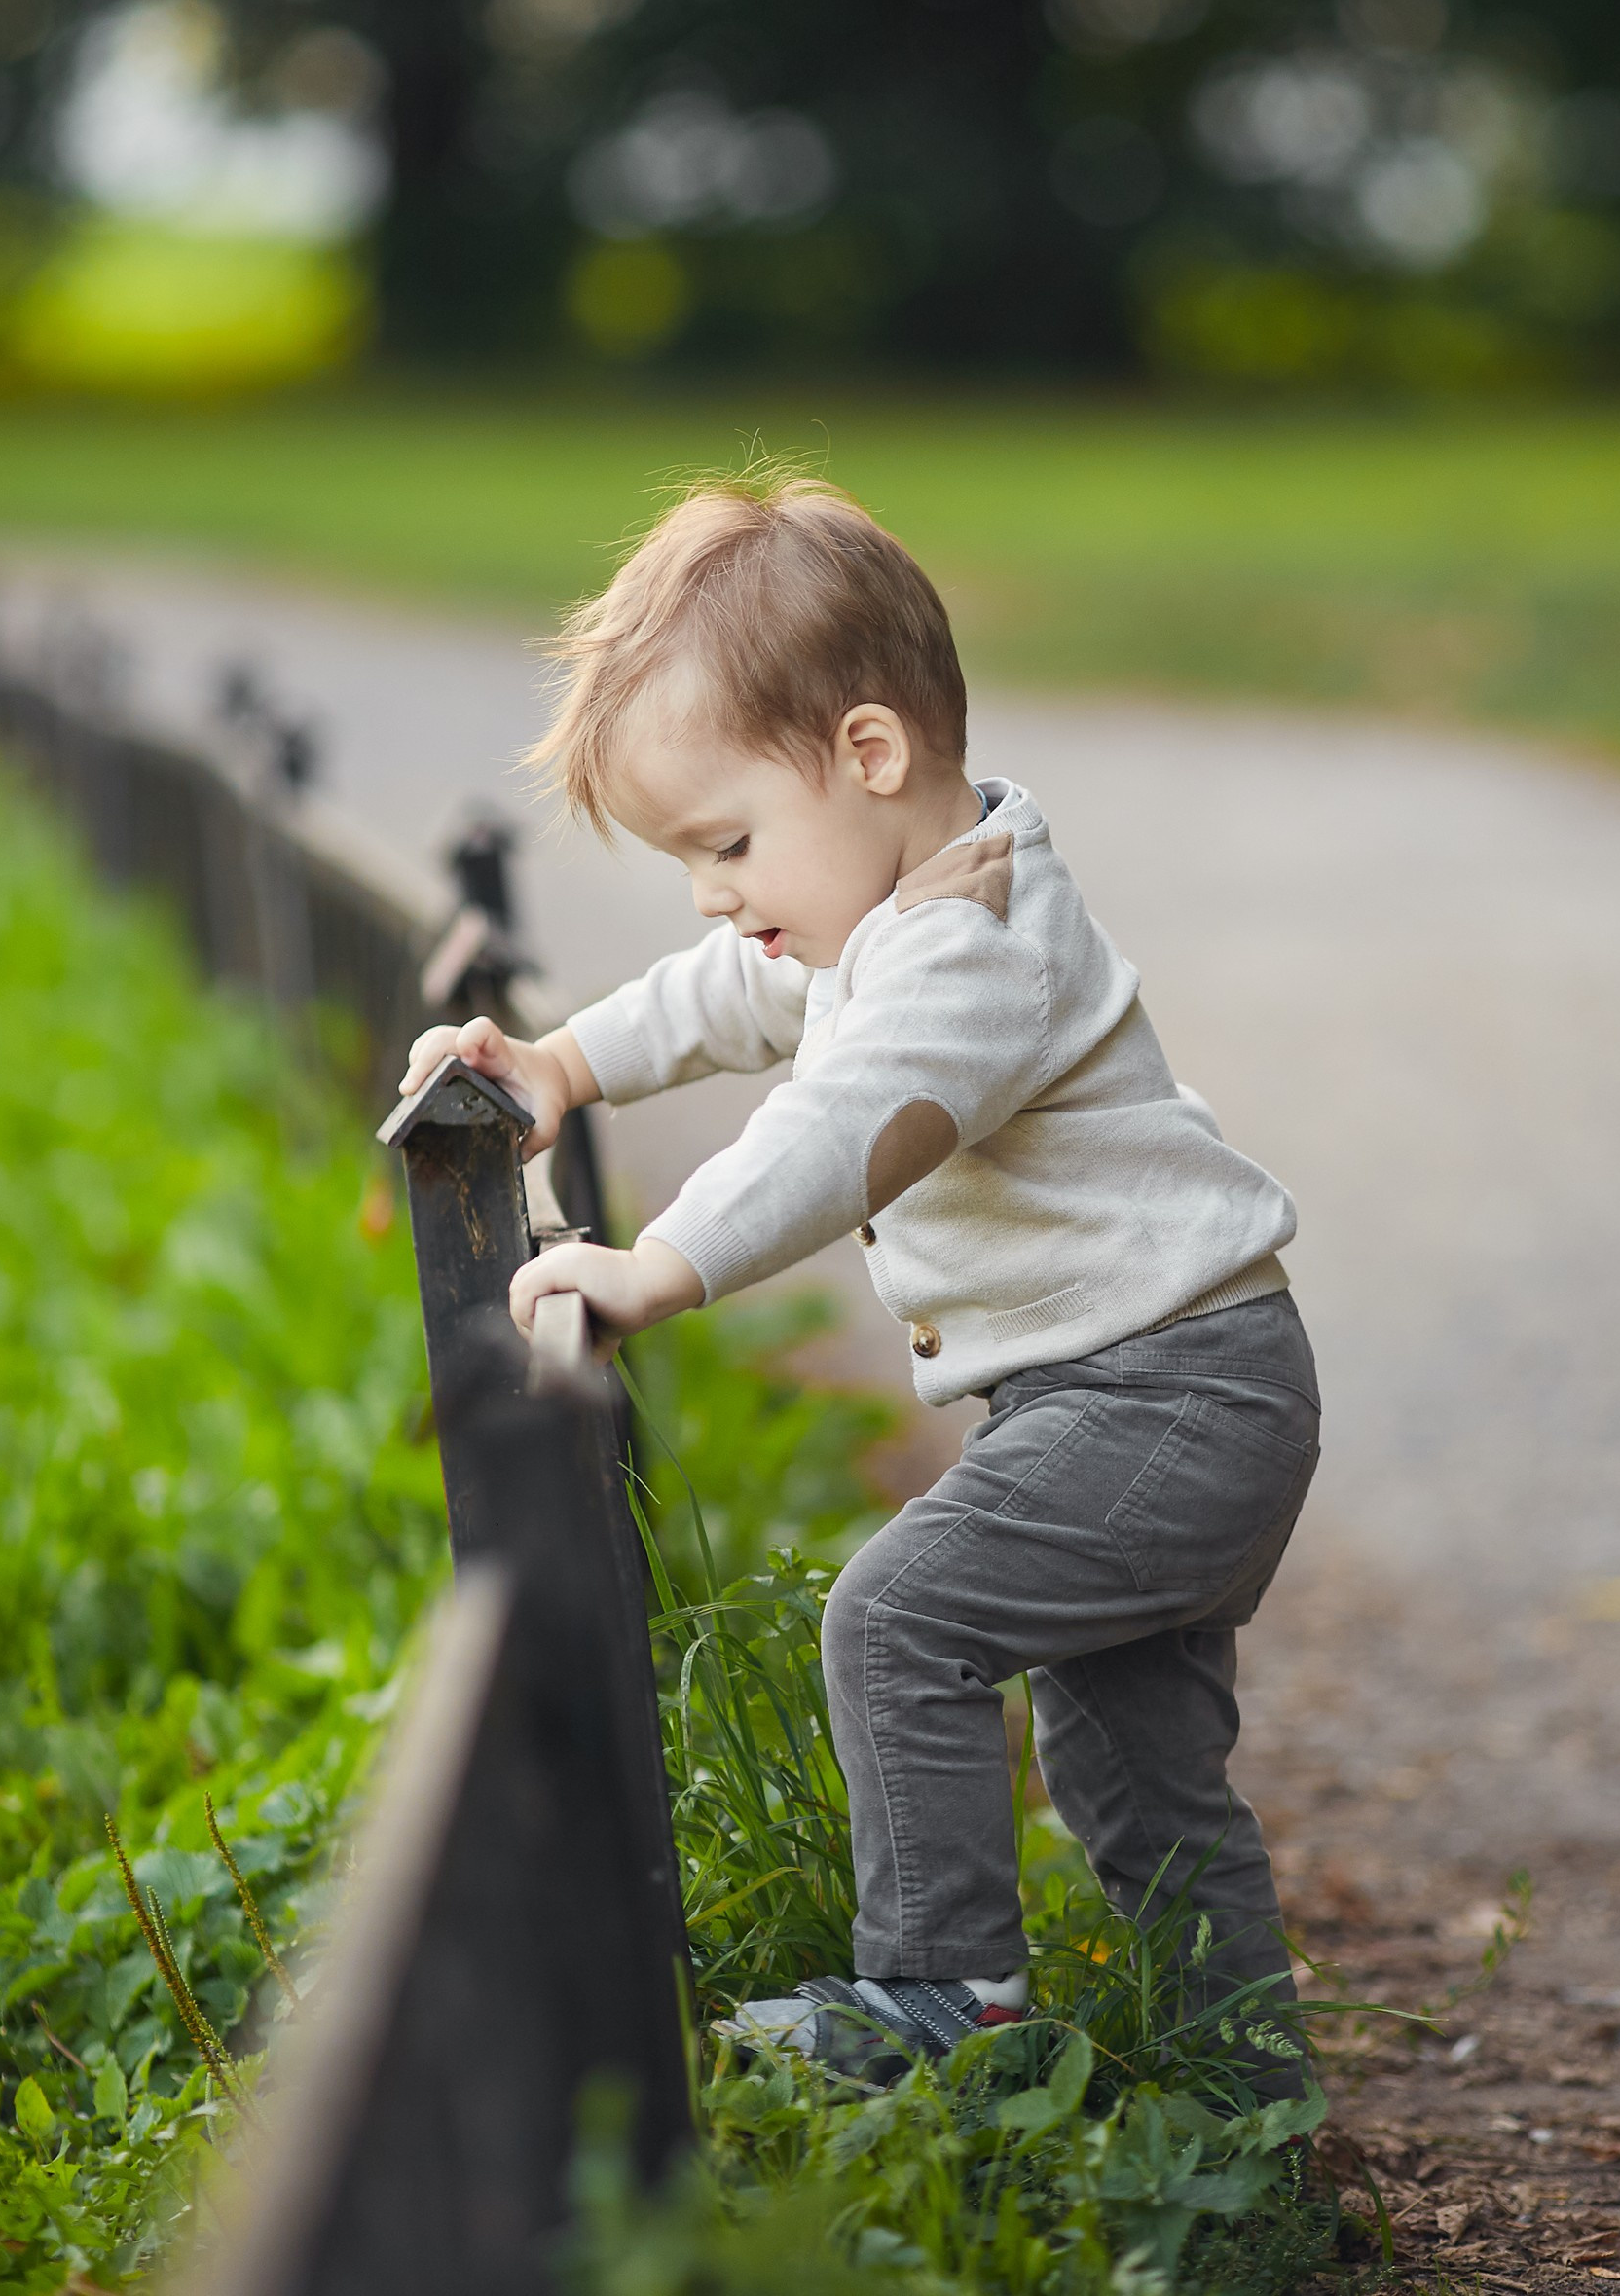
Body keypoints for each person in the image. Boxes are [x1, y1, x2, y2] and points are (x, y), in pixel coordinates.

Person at [398, 471, 1319, 2085]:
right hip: (1157, 1389)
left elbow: (841, 1130)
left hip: (1171, 1394)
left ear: (871, 755)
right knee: (1137, 1775)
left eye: (731, 842)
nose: (715, 892)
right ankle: (1245, 2089)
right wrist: (560, 1062)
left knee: (896, 1620)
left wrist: (663, 1265)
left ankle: (942, 1998)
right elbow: (728, 995)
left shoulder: (968, 955)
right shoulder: (896, 898)